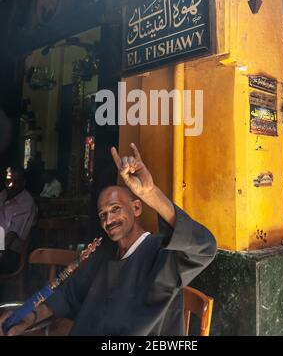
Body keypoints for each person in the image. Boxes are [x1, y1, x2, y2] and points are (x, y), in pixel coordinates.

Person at [0, 144, 216, 336]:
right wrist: (31, 317)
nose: (109, 219)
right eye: (103, 214)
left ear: (136, 208)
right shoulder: (104, 255)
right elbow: (69, 295)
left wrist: (150, 193)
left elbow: (204, 247)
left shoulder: (160, 254)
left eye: (115, 209)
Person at [0, 166, 37, 274]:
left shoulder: (26, 203)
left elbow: (10, 237)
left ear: (23, 183)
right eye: (8, 181)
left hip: (9, 253)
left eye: (15, 182)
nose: (11, 185)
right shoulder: (3, 195)